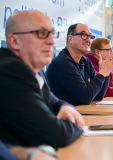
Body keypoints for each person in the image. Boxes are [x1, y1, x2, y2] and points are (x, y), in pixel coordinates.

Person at [0, 10, 84, 149]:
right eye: (41, 33)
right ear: (15, 41)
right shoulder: (11, 71)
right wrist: (76, 121)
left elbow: (54, 101)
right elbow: (56, 134)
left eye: (52, 33)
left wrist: (66, 107)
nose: (51, 41)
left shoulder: (35, 70)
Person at [46, 23, 113, 106]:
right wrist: (102, 73)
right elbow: (86, 98)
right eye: (84, 35)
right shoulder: (63, 63)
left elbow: (99, 96)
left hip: (77, 113)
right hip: (62, 116)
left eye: (90, 36)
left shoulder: (86, 61)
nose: (88, 40)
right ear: (70, 38)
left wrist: (106, 74)